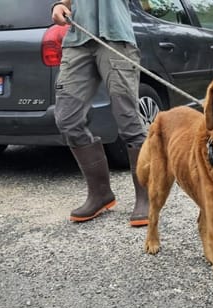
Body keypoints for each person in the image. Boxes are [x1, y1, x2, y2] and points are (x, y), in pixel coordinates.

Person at [51, 0, 148, 226]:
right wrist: (59, 5)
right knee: (67, 118)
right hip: (77, 39)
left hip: (116, 37)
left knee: (128, 120)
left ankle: (146, 196)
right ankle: (100, 194)